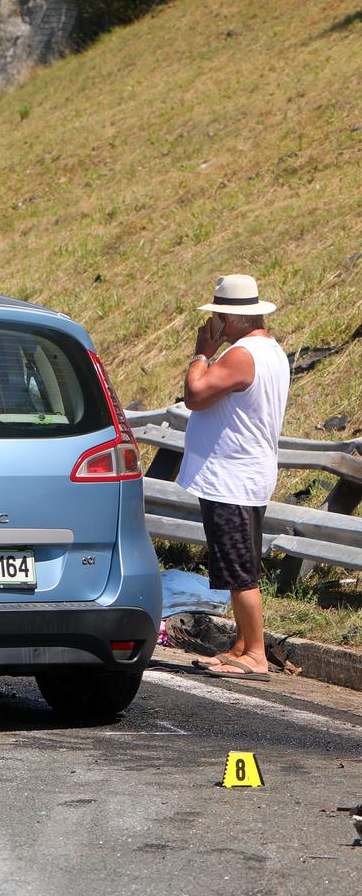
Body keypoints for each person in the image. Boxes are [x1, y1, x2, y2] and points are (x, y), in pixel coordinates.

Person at [179, 274, 290, 681]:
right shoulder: (269, 350)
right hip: (245, 473)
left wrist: (201, 352)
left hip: (233, 477)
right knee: (235, 564)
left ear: (230, 319)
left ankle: (256, 653)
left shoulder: (241, 354)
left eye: (218, 318)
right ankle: (243, 646)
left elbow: (195, 393)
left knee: (240, 571)